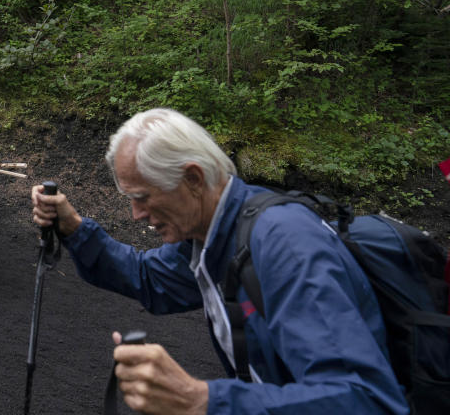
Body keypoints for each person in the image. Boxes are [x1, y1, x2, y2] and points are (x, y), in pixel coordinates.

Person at [30, 108, 409, 414]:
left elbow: (366, 400)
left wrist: (202, 400)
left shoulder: (285, 245)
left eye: (143, 197)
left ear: (194, 178)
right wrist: (74, 227)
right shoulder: (211, 234)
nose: (136, 215)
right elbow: (148, 278)